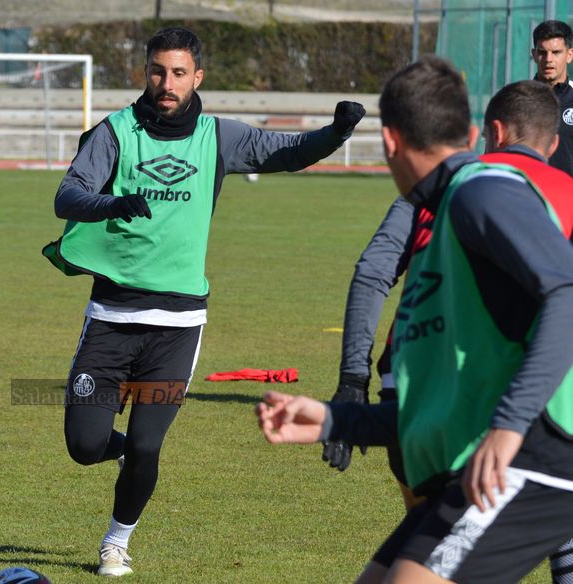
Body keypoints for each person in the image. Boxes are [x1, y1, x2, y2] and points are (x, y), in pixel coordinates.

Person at [42, 27, 365, 577]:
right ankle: (119, 452)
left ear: (198, 77)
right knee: (83, 443)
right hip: (111, 320)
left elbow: (284, 151)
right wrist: (111, 202)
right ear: (146, 72)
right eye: (157, 71)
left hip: (177, 326)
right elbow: (66, 197)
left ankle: (116, 541)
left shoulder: (218, 136)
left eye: (178, 73)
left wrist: (336, 131)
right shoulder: (114, 132)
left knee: (148, 445)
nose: (166, 84)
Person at [257, 57, 573, 584]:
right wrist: (335, 420)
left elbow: (566, 290)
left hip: (538, 456)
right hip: (476, 460)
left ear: (388, 142)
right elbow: (443, 404)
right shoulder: (442, 218)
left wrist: (509, 427)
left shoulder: (481, 192)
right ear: (472, 133)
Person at [532, 19, 573, 174]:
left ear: (569, 55)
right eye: (542, 52)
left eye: (556, 52)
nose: (548, 59)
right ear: (534, 55)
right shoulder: (518, 100)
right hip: (530, 194)